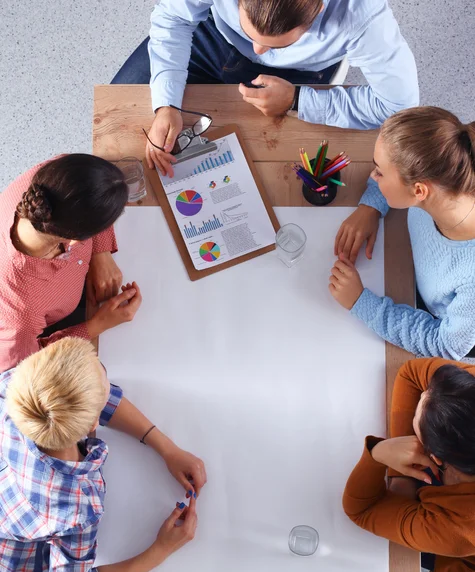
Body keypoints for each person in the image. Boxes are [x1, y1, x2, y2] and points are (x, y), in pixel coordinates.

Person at [0, 335, 207, 572]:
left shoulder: (14, 385)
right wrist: (160, 551)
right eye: (106, 383)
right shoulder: (74, 512)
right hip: (17, 570)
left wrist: (166, 447)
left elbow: (71, 398)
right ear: (92, 424)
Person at [112, 0, 418, 177]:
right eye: (252, 33)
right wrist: (166, 103)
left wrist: (298, 99)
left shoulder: (363, 15)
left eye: (274, 43)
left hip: (296, 76)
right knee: (116, 125)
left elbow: (398, 106)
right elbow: (173, 18)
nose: (258, 52)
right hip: (210, 38)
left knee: (271, 171)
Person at [329, 107, 475, 359]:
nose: (373, 176)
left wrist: (361, 302)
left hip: (442, 321)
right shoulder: (446, 159)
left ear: (419, 191)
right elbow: (398, 167)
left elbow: (445, 346)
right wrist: (370, 207)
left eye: (380, 172)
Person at [0, 154, 140, 373]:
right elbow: (27, 364)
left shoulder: (53, 178)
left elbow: (90, 179)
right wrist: (97, 324)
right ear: (77, 240)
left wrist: (100, 253)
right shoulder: (22, 313)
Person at [343, 357, 475, 572]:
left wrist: (379, 453)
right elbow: (412, 373)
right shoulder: (467, 389)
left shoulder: (455, 528)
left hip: (460, 549)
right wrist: (401, 478)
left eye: (416, 418)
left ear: (434, 455)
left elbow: (362, 510)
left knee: (409, 554)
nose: (422, 395)